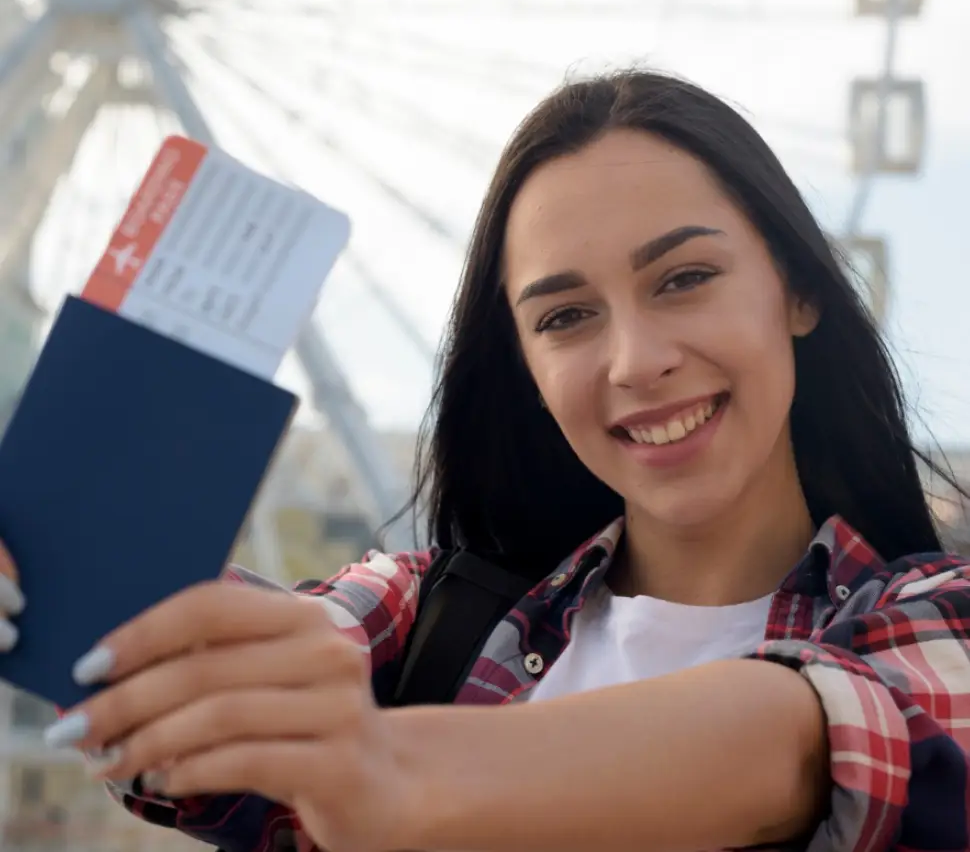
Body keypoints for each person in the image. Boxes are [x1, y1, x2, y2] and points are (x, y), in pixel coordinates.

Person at [3, 69, 969, 852]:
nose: (636, 361)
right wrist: (53, 576)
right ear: (527, 370)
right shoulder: (419, 619)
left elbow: (806, 737)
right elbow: (199, 657)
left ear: (798, 291)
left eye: (684, 279)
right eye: (565, 317)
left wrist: (388, 772)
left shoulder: (935, 625)